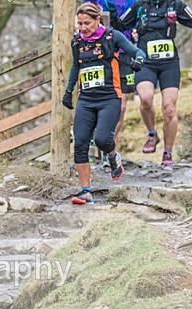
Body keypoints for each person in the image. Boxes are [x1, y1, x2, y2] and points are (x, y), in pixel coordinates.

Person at [107, 0, 192, 165]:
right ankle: (152, 133)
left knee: (169, 109)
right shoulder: (139, 6)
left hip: (169, 64)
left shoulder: (175, 5)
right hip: (146, 62)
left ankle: (168, 153)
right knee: (145, 99)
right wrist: (112, 13)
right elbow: (120, 26)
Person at [63, 2, 146, 204]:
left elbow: (137, 52)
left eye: (87, 24)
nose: (83, 28)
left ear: (97, 20)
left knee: (101, 139)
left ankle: (112, 155)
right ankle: (85, 191)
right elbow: (76, 66)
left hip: (109, 98)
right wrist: (68, 90)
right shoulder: (77, 42)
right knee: (80, 142)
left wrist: (139, 62)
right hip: (86, 99)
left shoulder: (112, 36)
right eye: (80, 24)